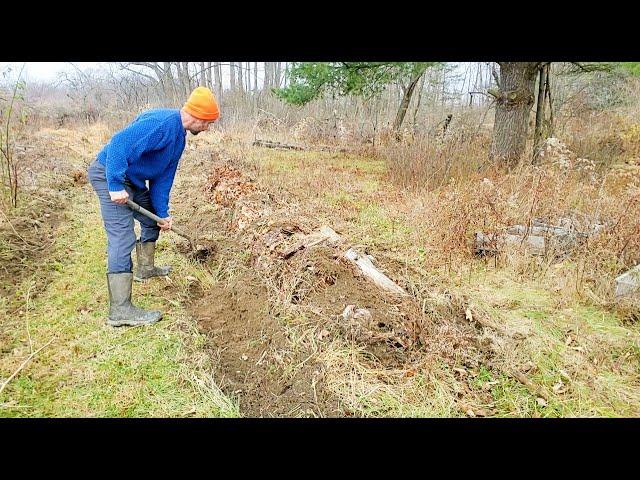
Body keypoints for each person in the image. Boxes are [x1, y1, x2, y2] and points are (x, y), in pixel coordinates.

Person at [87, 87, 219, 327]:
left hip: (133, 181)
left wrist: (163, 213)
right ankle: (120, 310)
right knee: (122, 238)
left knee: (151, 221)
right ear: (198, 117)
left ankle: (145, 269)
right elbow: (118, 144)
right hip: (109, 175)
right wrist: (115, 184)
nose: (208, 128)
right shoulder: (162, 123)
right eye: (208, 123)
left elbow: (163, 179)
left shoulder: (179, 138)